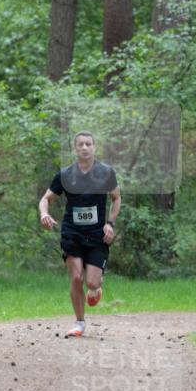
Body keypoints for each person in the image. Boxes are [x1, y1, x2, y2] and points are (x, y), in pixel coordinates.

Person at [38, 131, 121, 338]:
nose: (84, 147)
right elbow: (45, 199)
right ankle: (79, 323)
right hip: (72, 232)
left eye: (88, 144)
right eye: (80, 144)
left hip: (96, 235)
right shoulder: (65, 175)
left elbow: (116, 198)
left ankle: (95, 289)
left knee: (91, 283)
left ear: (94, 147)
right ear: (75, 149)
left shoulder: (106, 173)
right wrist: (44, 213)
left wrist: (110, 223)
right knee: (76, 278)